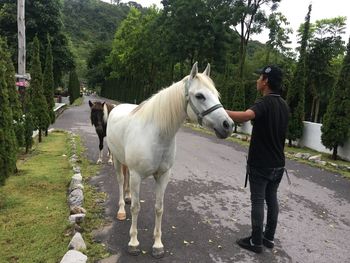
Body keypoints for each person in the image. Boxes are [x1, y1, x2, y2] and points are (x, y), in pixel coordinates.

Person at [226, 65, 289, 253]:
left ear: (266, 81)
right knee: (272, 200)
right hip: (278, 164)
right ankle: (268, 238)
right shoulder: (284, 105)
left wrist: (219, 111)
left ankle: (255, 241)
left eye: (259, 77)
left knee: (258, 201)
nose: (257, 80)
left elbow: (246, 116)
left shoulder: (264, 103)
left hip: (261, 164)